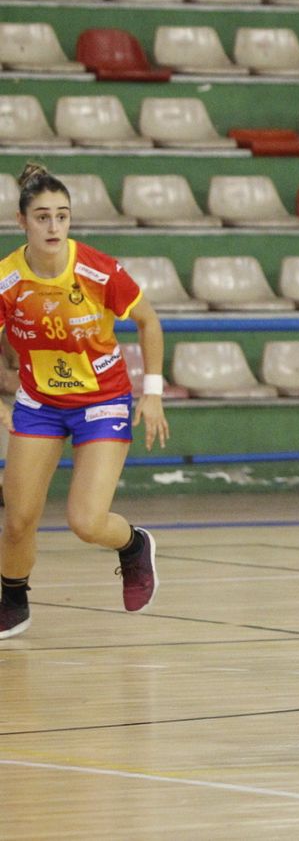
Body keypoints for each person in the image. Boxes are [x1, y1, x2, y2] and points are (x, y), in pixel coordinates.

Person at [0, 162, 169, 640]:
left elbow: (149, 322)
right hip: (39, 401)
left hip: (101, 400)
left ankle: (134, 546)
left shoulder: (97, 269)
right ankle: (13, 601)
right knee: (18, 520)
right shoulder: (7, 281)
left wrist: (152, 394)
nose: (53, 226)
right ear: (22, 221)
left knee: (86, 521)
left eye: (62, 216)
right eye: (42, 217)